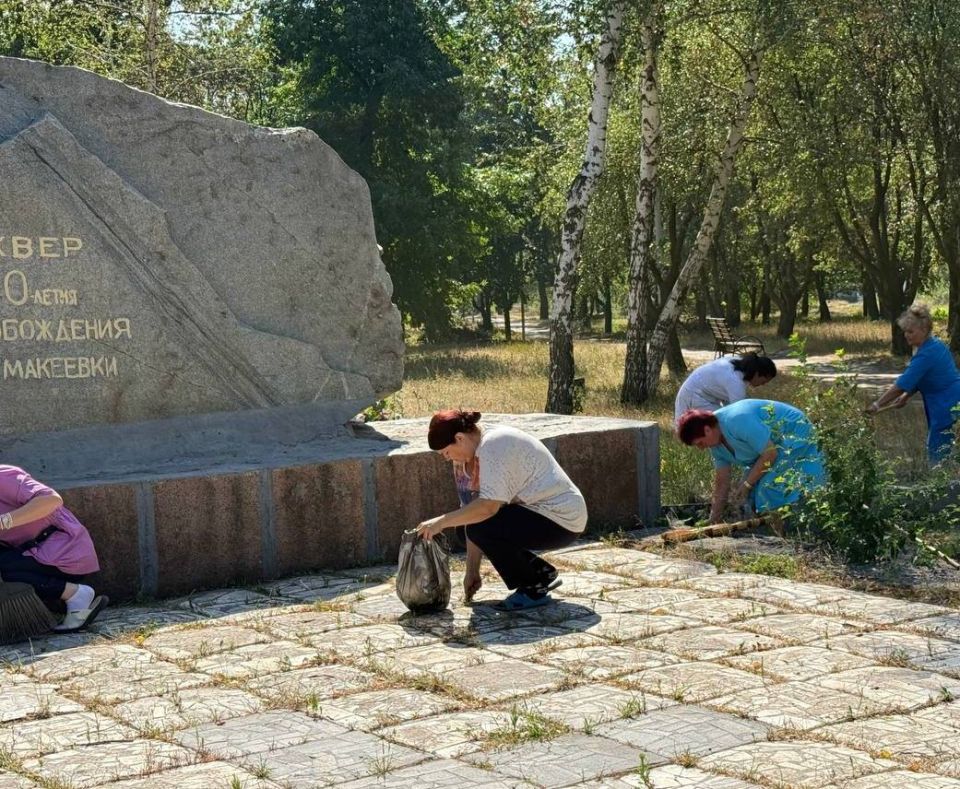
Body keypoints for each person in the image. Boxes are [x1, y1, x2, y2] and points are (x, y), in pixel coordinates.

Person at [416, 409, 587, 611]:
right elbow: (471, 514)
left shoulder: (494, 445)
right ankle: (539, 573)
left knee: (479, 527)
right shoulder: (463, 462)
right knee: (464, 528)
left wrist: (440, 522)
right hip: (535, 514)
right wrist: (472, 572)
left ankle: (533, 588)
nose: (446, 458)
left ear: (459, 438)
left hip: (562, 519)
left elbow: (487, 509)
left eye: (446, 452)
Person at [677, 399, 826, 524]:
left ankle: (788, 534)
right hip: (773, 448)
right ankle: (776, 527)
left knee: (768, 487)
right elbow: (722, 482)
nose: (701, 448)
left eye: (700, 443)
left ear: (707, 430)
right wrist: (713, 520)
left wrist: (747, 484)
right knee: (751, 494)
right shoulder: (715, 444)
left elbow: (770, 454)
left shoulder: (737, 419)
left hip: (794, 434)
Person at [0, 465, 107, 631]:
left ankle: (74, 593)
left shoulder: (3, 476)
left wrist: (3, 521)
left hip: (65, 552)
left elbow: (51, 500)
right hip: (28, 556)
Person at [866, 304, 960, 463]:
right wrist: (906, 396)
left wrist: (877, 404)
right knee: (949, 453)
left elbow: (902, 383)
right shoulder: (935, 345)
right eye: (905, 331)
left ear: (923, 330)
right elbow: (921, 378)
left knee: (938, 454)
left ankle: (941, 486)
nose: (906, 335)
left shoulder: (926, 354)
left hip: (948, 406)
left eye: (910, 331)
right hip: (951, 403)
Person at [674, 353, 777, 423]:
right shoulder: (736, 383)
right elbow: (739, 414)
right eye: (763, 381)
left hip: (701, 392)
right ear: (757, 373)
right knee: (720, 423)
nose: (762, 385)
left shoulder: (738, 363)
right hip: (694, 395)